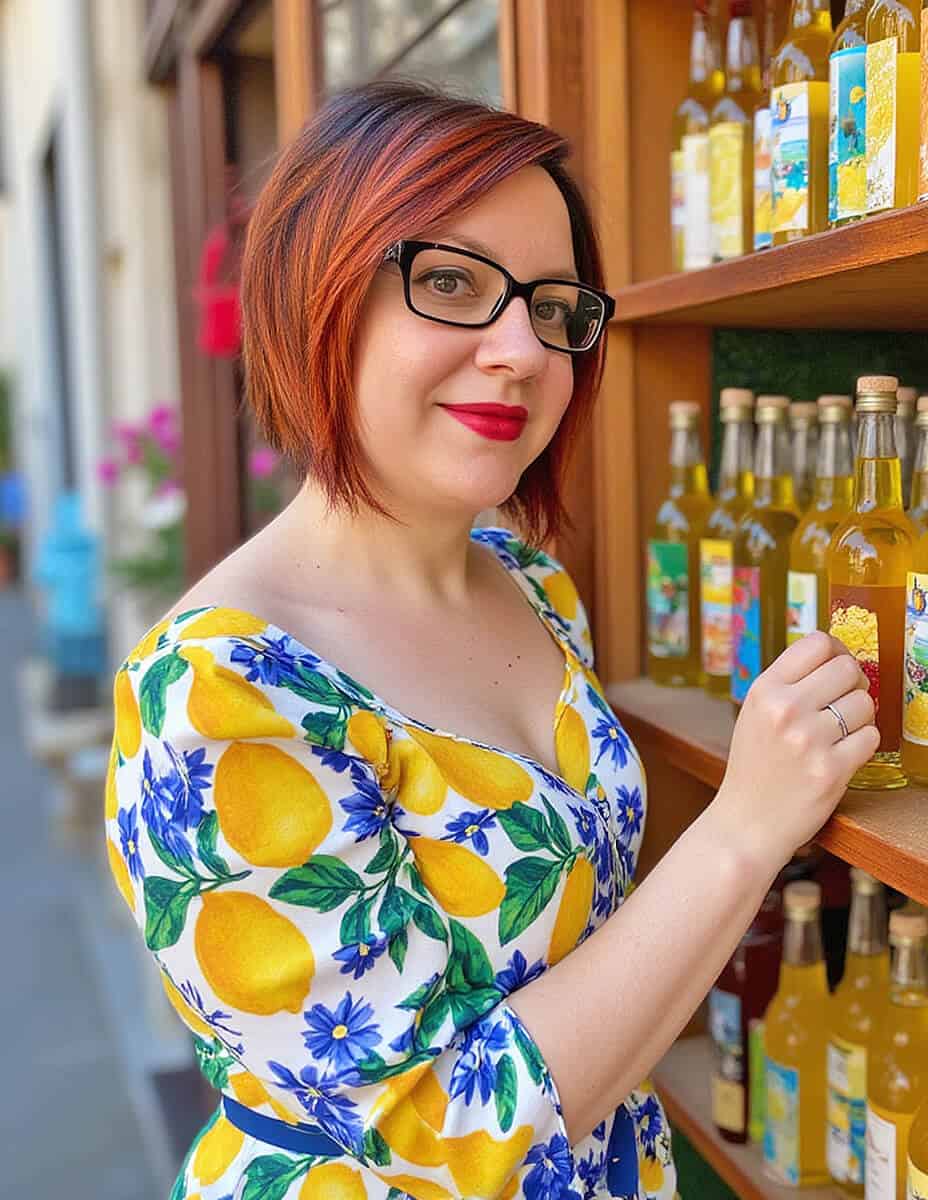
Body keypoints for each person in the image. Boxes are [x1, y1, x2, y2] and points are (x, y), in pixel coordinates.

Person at [104, 79, 878, 1200]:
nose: (522, 350)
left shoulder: (528, 580)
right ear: (314, 293)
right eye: (454, 283)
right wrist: (745, 829)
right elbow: (443, 1139)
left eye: (557, 306)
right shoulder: (216, 693)